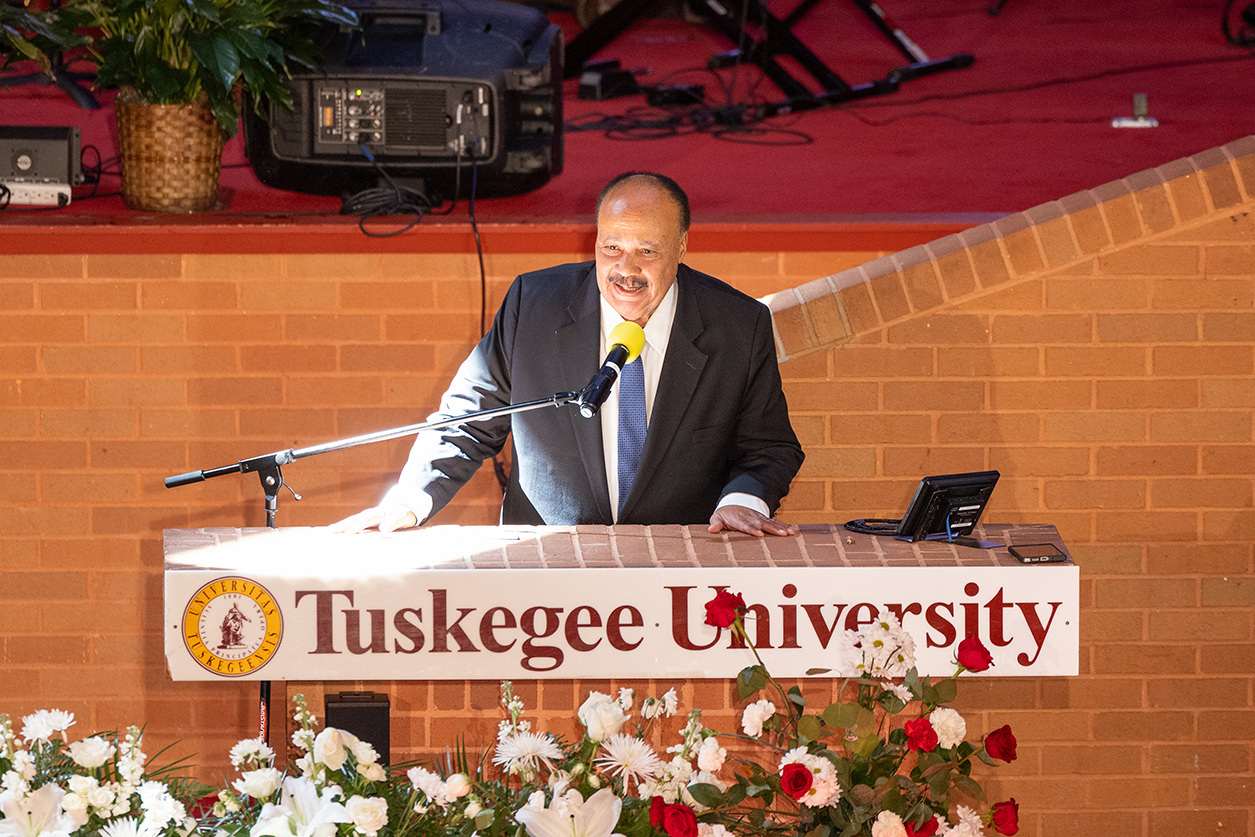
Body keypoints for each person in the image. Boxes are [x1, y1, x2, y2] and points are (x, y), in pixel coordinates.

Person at [334, 172, 804, 537]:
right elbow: (468, 420)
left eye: (646, 251)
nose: (626, 270)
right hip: (548, 569)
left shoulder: (738, 326)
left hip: (678, 568)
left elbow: (769, 447)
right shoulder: (532, 306)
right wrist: (410, 499)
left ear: (681, 247)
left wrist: (744, 498)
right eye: (612, 247)